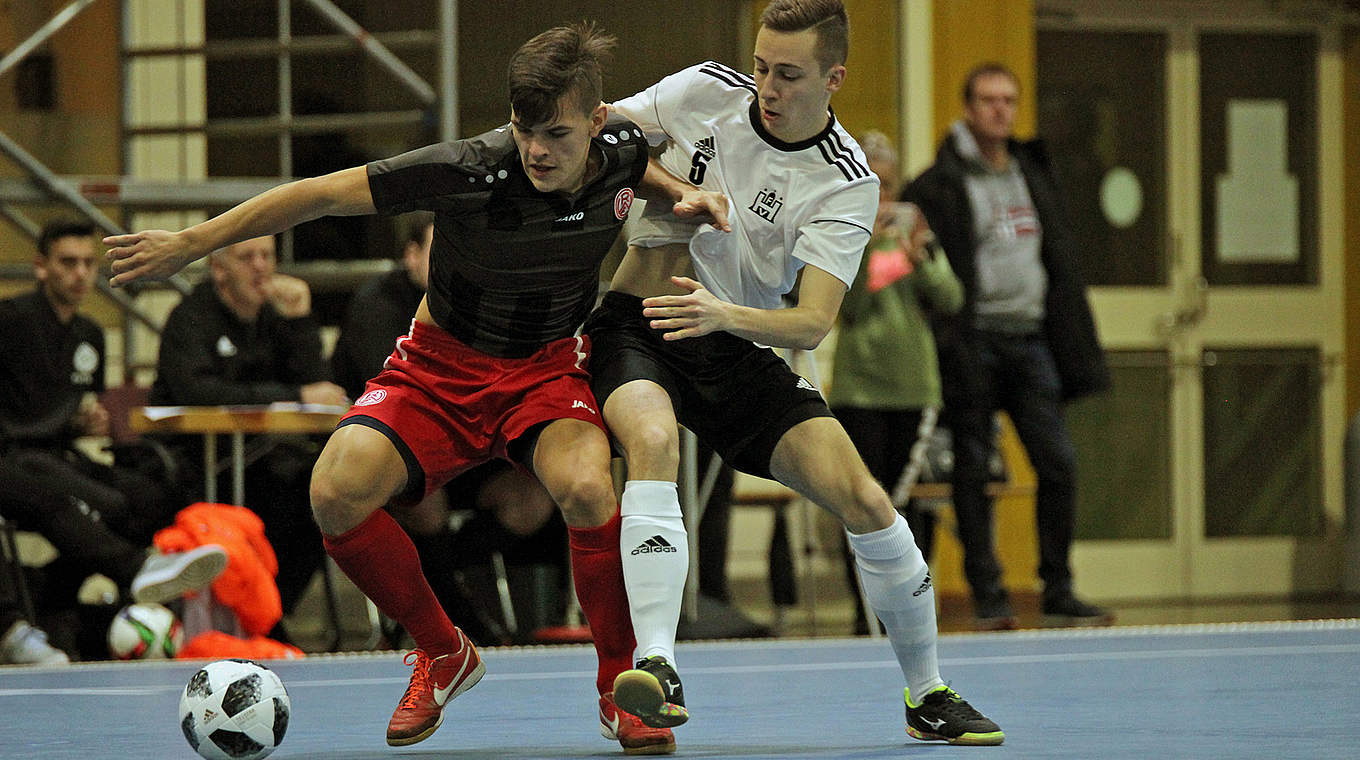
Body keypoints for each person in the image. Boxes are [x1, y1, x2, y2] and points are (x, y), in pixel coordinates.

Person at [106, 22, 726, 755]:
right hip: (439, 367)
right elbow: (315, 196)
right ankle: (442, 651)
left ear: (596, 123)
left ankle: (622, 691)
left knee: (590, 490)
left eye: (557, 134)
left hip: (545, 368)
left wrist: (684, 192)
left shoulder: (622, 151)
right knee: (332, 493)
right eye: (525, 129)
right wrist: (187, 243)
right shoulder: (468, 168)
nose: (537, 149)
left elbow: (637, 174)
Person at [583, 0, 1003, 745]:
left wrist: (725, 317)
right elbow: (603, 134)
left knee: (866, 498)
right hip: (639, 321)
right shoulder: (706, 89)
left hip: (737, 340)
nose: (765, 87)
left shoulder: (845, 180)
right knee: (653, 442)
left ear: (832, 78)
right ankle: (658, 666)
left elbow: (811, 321)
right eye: (760, 67)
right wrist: (671, 187)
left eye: (787, 74)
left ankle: (927, 692)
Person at [901, 62, 1113, 629]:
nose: (1001, 110)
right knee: (975, 470)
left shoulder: (1033, 171)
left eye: (1010, 100)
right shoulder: (939, 183)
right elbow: (921, 267)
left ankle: (1058, 586)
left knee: (1059, 463)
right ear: (969, 108)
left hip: (1031, 340)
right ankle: (988, 593)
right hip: (974, 344)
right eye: (989, 100)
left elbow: (1059, 255)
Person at [330, 211, 566, 645]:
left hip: (473, 446)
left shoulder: (478, 299)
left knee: (535, 498)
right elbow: (384, 380)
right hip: (403, 449)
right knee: (424, 504)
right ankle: (463, 626)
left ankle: (444, 577)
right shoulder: (377, 302)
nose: (456, 263)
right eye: (443, 251)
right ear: (412, 255)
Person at [0, 219, 225, 617]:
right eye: (68, 263)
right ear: (41, 267)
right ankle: (137, 569)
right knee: (102, 504)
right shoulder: (10, 320)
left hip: (60, 453)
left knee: (150, 496)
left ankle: (50, 597)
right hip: (13, 455)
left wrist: (82, 424)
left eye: (88, 263)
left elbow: (61, 407)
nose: (80, 273)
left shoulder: (90, 334)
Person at [148, 234, 345, 622]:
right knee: (263, 506)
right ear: (219, 269)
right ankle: (244, 622)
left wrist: (301, 319)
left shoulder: (276, 315)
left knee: (324, 500)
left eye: (267, 256)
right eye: (246, 257)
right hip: (198, 461)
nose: (260, 267)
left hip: (263, 457)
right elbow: (198, 391)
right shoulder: (191, 317)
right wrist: (291, 392)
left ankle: (268, 619)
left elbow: (320, 388)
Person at [826, 130, 963, 635]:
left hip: (913, 390)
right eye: (870, 183)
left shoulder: (915, 235)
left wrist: (918, 254)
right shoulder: (840, 237)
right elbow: (851, 304)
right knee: (861, 504)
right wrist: (867, 246)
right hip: (858, 391)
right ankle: (868, 618)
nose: (881, 196)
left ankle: (911, 613)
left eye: (888, 184)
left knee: (907, 507)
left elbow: (951, 298)